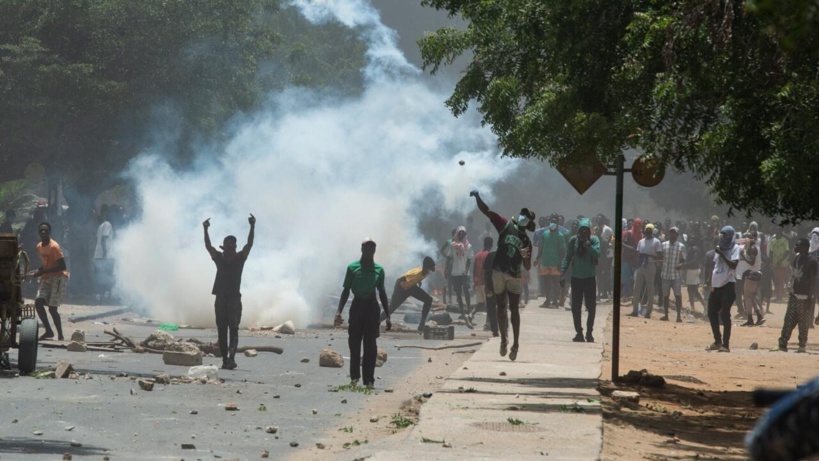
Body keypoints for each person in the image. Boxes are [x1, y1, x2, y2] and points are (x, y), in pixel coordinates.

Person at [471, 190, 533, 362]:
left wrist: (525, 255)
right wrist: (477, 198)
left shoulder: (527, 241)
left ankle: (516, 344)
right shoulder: (506, 225)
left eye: (527, 216)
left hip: (514, 274)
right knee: (500, 306)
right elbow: (487, 211)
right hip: (498, 271)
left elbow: (527, 266)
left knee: (514, 309)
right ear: (519, 215)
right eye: (523, 214)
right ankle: (504, 340)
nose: (523, 217)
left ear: (529, 223)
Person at [334, 238, 391, 389]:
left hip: (372, 308)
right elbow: (346, 291)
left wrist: (388, 315)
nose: (369, 252)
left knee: (370, 345)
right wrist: (338, 311)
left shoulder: (379, 270)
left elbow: (382, 293)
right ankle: (354, 377)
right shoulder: (352, 268)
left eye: (372, 249)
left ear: (374, 251)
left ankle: (369, 380)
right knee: (354, 343)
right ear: (361, 249)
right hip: (357, 306)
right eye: (367, 248)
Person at [203, 214, 255, 370]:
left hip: (233, 300)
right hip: (221, 300)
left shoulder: (240, 258)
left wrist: (252, 226)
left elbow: (249, 244)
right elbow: (208, 247)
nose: (230, 251)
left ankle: (230, 358)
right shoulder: (219, 258)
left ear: (234, 248)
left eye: (232, 248)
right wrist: (205, 230)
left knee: (233, 330)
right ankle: (226, 360)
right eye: (228, 248)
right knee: (221, 331)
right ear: (224, 249)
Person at [771, 238, 817, 353]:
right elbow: (793, 273)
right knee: (789, 319)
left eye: (798, 245)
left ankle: (802, 345)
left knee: (803, 321)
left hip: (804, 295)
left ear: (805, 247)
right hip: (794, 293)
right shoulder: (796, 258)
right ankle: (782, 343)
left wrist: (810, 297)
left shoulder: (812, 262)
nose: (796, 247)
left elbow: (813, 280)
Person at [26, 222, 69, 340]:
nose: (43, 232)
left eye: (45, 230)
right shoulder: (39, 246)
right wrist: (37, 271)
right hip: (46, 277)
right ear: (39, 233)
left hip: (59, 277)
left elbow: (62, 266)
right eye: (41, 230)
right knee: (38, 303)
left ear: (49, 232)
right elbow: (45, 264)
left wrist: (42, 272)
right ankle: (49, 330)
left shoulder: (54, 246)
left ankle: (60, 335)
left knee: (52, 308)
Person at [560, 218, 600, 342]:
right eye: (581, 230)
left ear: (589, 231)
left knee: (591, 307)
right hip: (576, 278)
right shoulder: (573, 240)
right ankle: (579, 333)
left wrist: (588, 245)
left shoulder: (594, 240)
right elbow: (567, 257)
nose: (583, 233)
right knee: (575, 307)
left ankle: (589, 332)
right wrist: (562, 272)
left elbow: (597, 254)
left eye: (586, 230)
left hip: (589, 277)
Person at [706, 226, 741, 353]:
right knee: (711, 312)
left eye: (725, 235)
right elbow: (716, 265)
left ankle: (725, 345)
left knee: (725, 314)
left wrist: (722, 254)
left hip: (728, 284)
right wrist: (710, 280)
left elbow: (734, 264)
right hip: (717, 284)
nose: (722, 238)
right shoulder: (719, 247)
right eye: (722, 235)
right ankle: (717, 341)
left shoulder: (735, 248)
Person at [382, 256, 436, 331]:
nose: (431, 270)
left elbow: (414, 278)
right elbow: (404, 277)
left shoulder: (424, 271)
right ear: (427, 267)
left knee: (428, 300)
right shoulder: (419, 272)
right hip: (401, 287)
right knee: (392, 308)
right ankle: (374, 322)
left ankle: (422, 324)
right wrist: (401, 291)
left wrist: (417, 282)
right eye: (431, 268)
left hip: (410, 287)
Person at [443, 226, 474, 327]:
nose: (461, 235)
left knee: (466, 290)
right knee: (459, 295)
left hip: (464, 273)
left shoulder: (468, 246)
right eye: (459, 233)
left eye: (462, 233)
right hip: (455, 273)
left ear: (465, 234)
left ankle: (469, 311)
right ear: (457, 234)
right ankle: (464, 314)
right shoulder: (452, 246)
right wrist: (446, 269)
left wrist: (466, 270)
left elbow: (469, 260)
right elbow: (449, 257)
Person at [629, 223, 662, 318]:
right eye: (646, 230)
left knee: (650, 288)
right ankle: (635, 310)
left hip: (651, 265)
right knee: (636, 288)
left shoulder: (656, 242)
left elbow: (659, 256)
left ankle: (648, 312)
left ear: (652, 231)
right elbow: (638, 253)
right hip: (640, 265)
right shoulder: (641, 241)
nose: (647, 232)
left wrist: (649, 255)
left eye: (649, 230)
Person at [535, 214, 566, 308]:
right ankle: (548, 300)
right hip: (545, 262)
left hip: (555, 263)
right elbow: (541, 247)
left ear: (557, 223)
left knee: (556, 283)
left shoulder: (560, 236)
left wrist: (561, 263)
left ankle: (555, 302)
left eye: (555, 222)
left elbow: (562, 251)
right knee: (546, 283)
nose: (553, 223)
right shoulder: (545, 233)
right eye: (551, 222)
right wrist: (537, 259)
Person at [659, 227, 685, 322]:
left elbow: (683, 260)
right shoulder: (663, 245)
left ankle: (678, 316)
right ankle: (666, 315)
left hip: (676, 275)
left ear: (677, 235)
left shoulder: (681, 246)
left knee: (677, 295)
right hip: (665, 274)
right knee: (665, 296)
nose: (672, 235)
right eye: (671, 233)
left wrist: (680, 265)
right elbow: (660, 257)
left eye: (674, 234)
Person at [739, 232, 765, 326]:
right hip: (755, 274)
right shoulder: (755, 247)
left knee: (747, 296)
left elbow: (751, 262)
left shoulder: (752, 248)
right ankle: (759, 315)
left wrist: (743, 256)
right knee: (751, 296)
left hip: (752, 274)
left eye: (747, 238)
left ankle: (750, 318)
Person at [93, 205, 115, 304]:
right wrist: (105, 254)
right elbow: (104, 238)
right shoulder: (107, 225)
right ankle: (105, 297)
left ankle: (100, 297)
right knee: (107, 277)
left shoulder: (101, 225)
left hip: (98, 255)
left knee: (100, 277)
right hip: (105, 255)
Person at [473, 237, 493, 320]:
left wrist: (474, 282)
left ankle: (470, 315)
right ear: (491, 245)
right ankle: (488, 323)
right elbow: (488, 271)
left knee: (481, 303)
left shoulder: (477, 255)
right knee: (489, 303)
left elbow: (473, 270)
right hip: (485, 283)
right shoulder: (488, 255)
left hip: (477, 282)